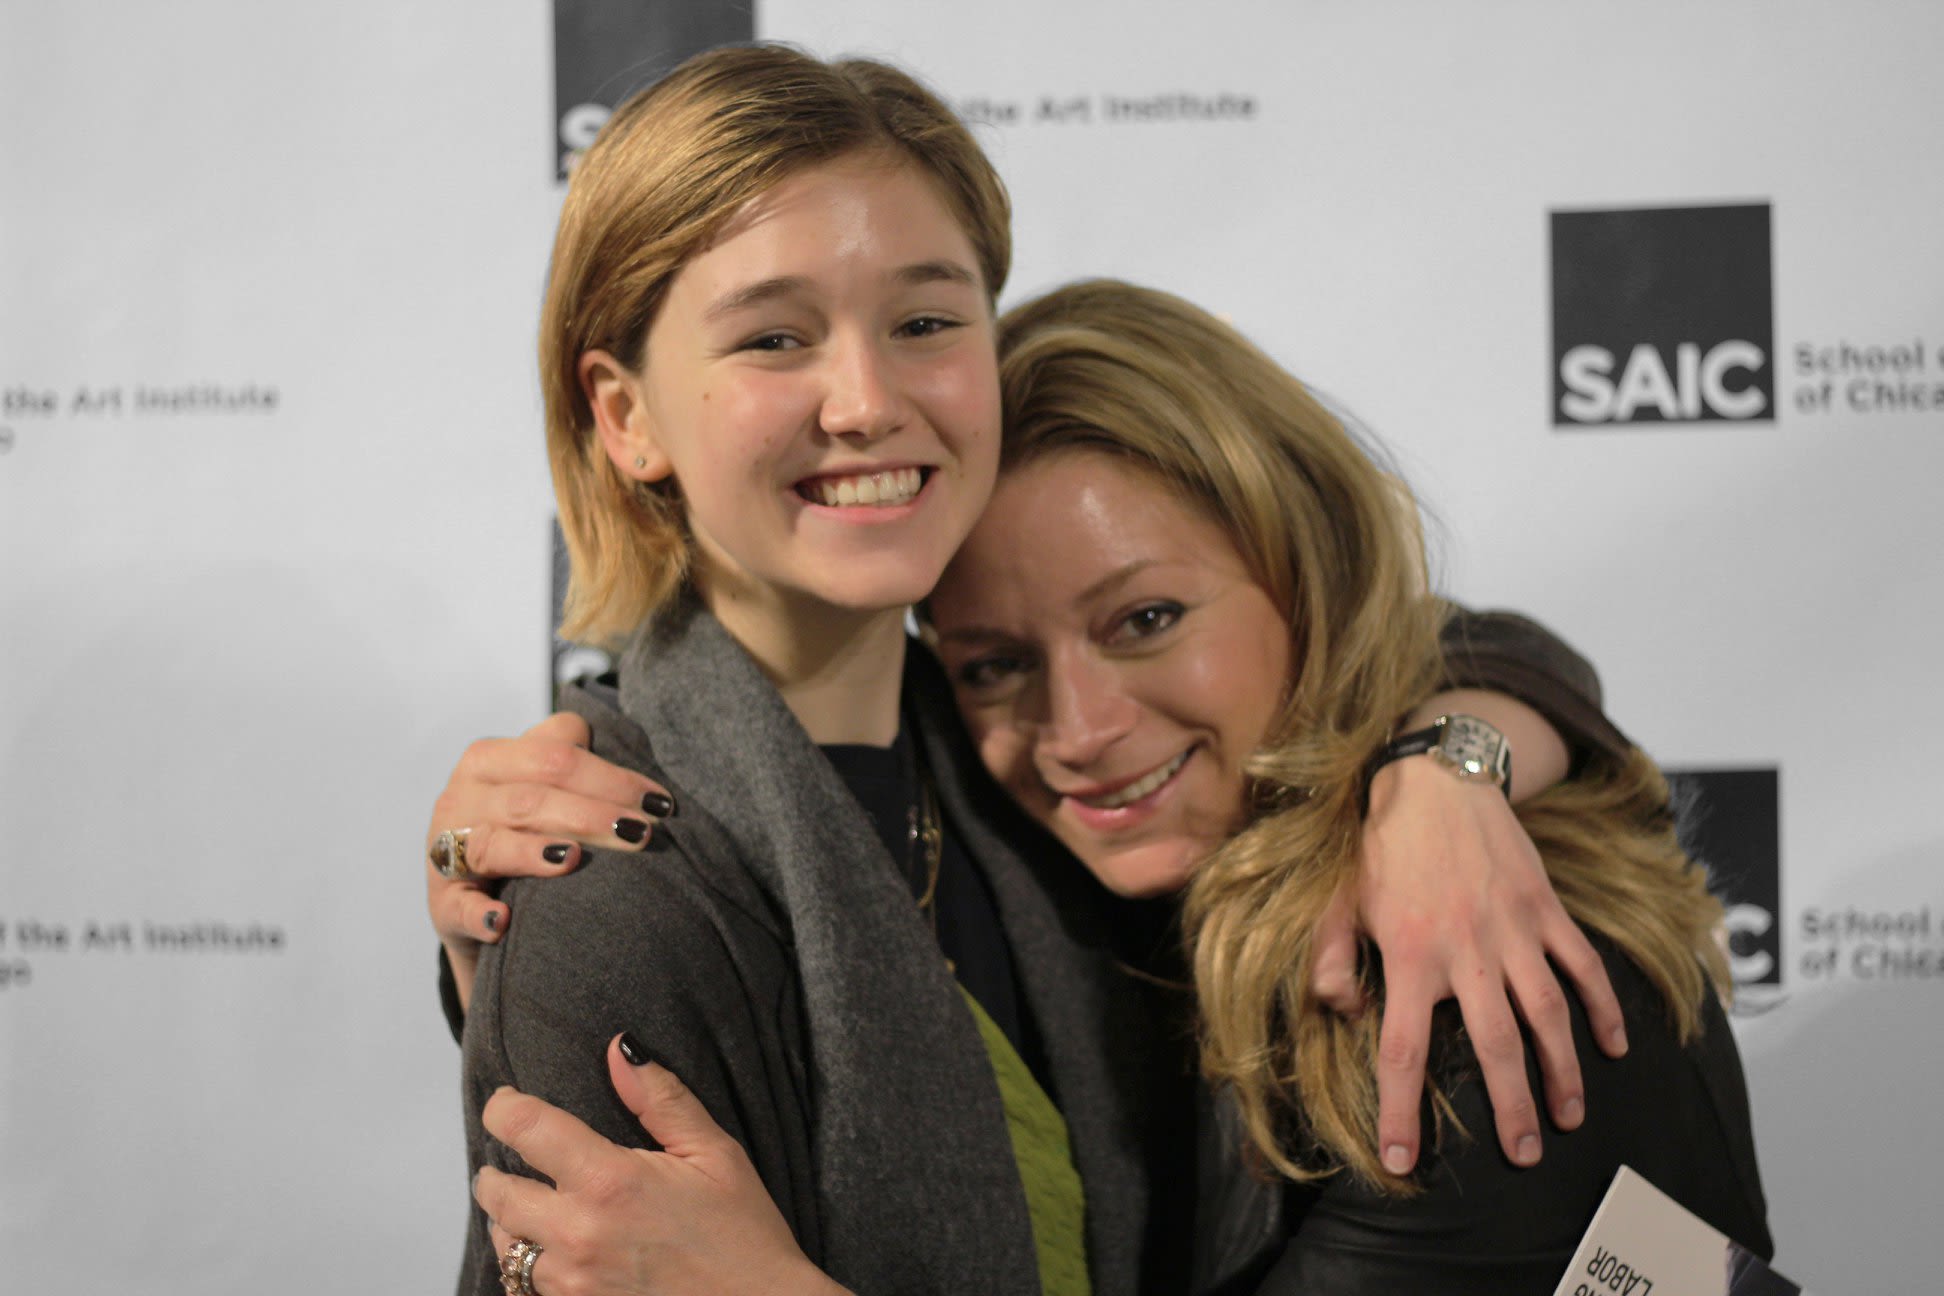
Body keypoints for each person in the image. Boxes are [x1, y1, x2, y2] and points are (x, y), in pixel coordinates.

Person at [435, 42, 1649, 1296]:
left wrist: (1449, 762)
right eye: (776, 337)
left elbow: (1423, 644)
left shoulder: (1031, 787)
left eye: (922, 321)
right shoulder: (601, 871)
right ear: (625, 414)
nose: (862, 399)